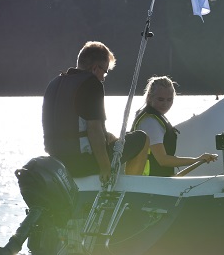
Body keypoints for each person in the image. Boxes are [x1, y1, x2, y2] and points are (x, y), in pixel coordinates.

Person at [42, 41, 149, 184]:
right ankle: (132, 188)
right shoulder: (91, 84)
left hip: (57, 163)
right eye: (105, 71)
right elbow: (94, 130)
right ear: (95, 68)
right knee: (141, 138)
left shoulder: (54, 83)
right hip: (82, 163)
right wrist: (105, 168)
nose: (103, 78)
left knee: (114, 139)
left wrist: (107, 136)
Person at [132, 75, 218, 176]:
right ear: (150, 97)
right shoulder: (150, 122)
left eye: (169, 100)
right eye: (160, 99)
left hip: (157, 180)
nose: (165, 104)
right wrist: (196, 160)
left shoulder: (153, 117)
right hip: (149, 181)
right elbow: (163, 160)